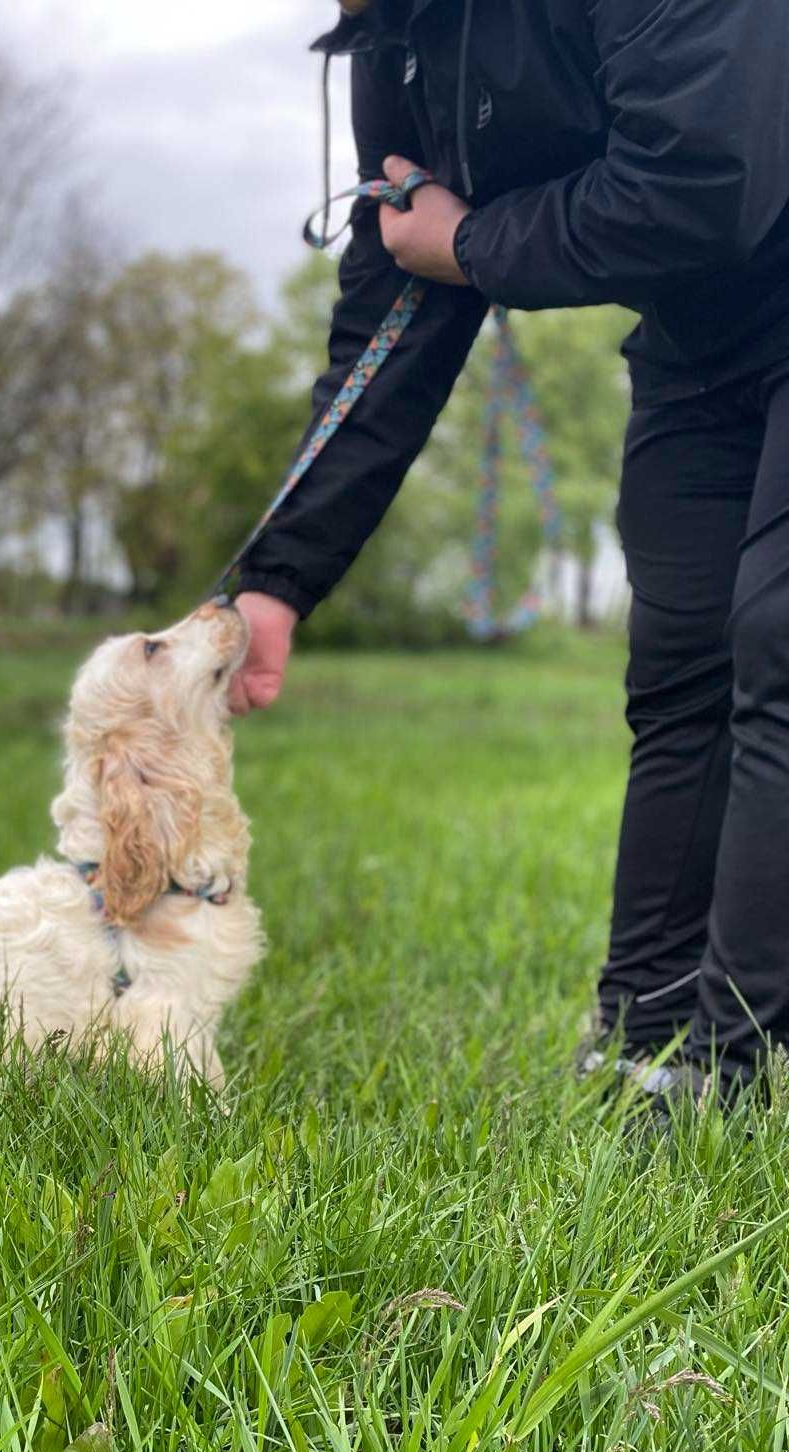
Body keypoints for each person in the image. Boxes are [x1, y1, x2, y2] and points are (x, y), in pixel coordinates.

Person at [231, 0, 789, 1100]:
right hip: (701, 332)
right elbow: (402, 282)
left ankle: (739, 1063)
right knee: (679, 660)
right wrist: (276, 577)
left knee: (778, 639)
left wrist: (475, 242)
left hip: (733, 235)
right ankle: (646, 1035)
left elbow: (705, 178)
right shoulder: (393, 34)